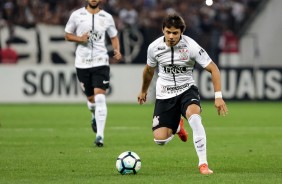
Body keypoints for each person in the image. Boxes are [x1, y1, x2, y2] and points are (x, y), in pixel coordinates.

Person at [137, 13, 228, 174]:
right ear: (163, 30)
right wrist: (143, 90)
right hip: (164, 95)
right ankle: (178, 126)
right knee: (160, 140)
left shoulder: (191, 46)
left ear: (181, 32)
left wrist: (218, 97)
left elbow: (213, 68)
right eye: (168, 32)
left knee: (195, 118)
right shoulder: (154, 48)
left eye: (175, 33)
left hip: (186, 90)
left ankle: (203, 164)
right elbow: (149, 71)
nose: (171, 36)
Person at [64, 0, 122, 147]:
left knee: (100, 97)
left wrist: (117, 50)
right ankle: (93, 114)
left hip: (101, 62)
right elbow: (67, 35)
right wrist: (80, 38)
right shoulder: (77, 15)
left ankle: (100, 136)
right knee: (91, 100)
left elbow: (113, 36)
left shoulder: (107, 17)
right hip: (82, 63)